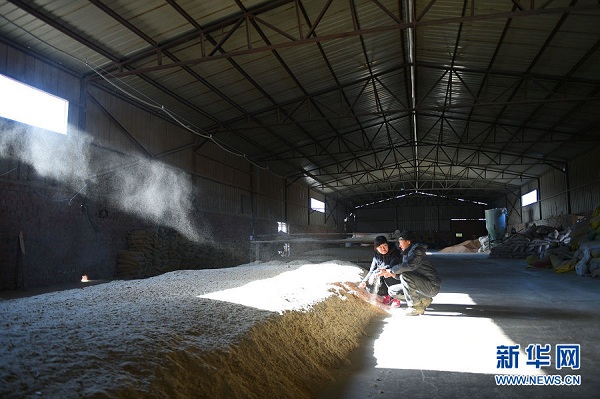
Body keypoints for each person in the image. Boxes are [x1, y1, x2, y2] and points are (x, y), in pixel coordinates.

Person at [379, 229, 441, 315]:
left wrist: (391, 270)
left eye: (401, 242)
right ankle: (423, 300)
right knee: (392, 291)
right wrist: (393, 275)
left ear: (408, 242)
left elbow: (408, 266)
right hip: (422, 284)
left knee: (405, 274)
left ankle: (415, 307)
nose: (399, 246)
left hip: (431, 286)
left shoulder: (417, 251)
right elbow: (407, 277)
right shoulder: (407, 253)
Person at [358, 236, 402, 307]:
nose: (383, 249)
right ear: (376, 248)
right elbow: (372, 270)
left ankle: (396, 297)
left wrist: (377, 273)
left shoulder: (395, 252)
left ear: (388, 245)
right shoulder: (376, 255)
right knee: (371, 280)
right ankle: (388, 295)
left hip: (396, 277)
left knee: (387, 273)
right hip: (381, 274)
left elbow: (391, 267)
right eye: (380, 247)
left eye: (385, 245)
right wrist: (364, 281)